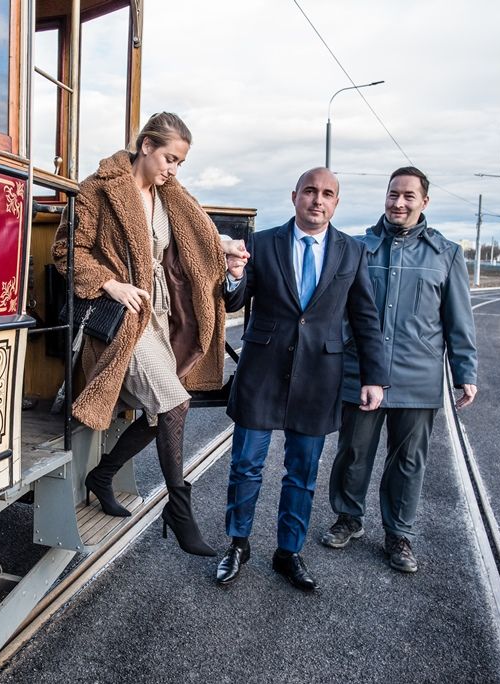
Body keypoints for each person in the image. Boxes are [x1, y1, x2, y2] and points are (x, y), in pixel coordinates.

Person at [52, 112, 246, 556]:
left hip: (161, 314)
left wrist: (227, 248)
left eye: (179, 162)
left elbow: (196, 238)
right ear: (145, 146)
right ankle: (179, 509)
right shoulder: (99, 190)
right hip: (124, 316)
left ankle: (102, 475)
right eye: (169, 158)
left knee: (163, 410)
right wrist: (110, 283)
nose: (172, 170)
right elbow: (67, 250)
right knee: (175, 403)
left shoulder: (168, 195)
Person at [215, 167, 388, 591]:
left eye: (327, 193)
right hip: (261, 372)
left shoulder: (352, 251)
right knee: (246, 465)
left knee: (302, 472)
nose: (318, 199)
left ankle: (288, 552)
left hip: (319, 377)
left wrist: (374, 377)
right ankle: (237, 544)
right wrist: (235, 273)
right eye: (310, 191)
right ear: (295, 196)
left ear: (336, 202)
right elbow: (234, 299)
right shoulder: (263, 243)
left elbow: (365, 318)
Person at [320, 167, 478, 573]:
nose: (399, 203)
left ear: (424, 202)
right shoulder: (358, 247)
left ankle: (398, 534)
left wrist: (465, 372)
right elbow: (337, 308)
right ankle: (348, 518)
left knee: (408, 460)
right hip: (361, 372)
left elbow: (459, 321)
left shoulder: (446, 254)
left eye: (409, 196)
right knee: (353, 452)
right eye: (393, 195)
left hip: (418, 376)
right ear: (385, 197)